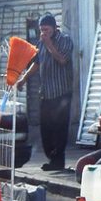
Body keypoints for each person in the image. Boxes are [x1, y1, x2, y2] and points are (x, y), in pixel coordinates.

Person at [17, 13, 74, 171]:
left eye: (47, 29)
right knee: (46, 128)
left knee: (60, 128)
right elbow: (37, 63)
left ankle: (58, 161)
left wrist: (49, 44)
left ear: (54, 28)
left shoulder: (65, 40)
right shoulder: (41, 42)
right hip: (46, 93)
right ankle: (51, 157)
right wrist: (23, 79)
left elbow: (62, 60)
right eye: (41, 30)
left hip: (61, 92)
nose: (44, 32)